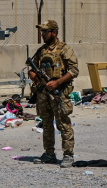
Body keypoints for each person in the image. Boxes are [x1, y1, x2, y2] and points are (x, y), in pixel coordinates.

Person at [28, 20, 79, 168]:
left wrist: (57, 82)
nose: (42, 34)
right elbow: (31, 66)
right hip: (43, 93)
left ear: (54, 32)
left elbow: (74, 70)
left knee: (63, 124)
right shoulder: (42, 51)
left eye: (45, 31)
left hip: (59, 93)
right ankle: (49, 154)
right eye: (41, 32)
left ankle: (68, 155)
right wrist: (32, 74)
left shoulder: (64, 49)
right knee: (47, 124)